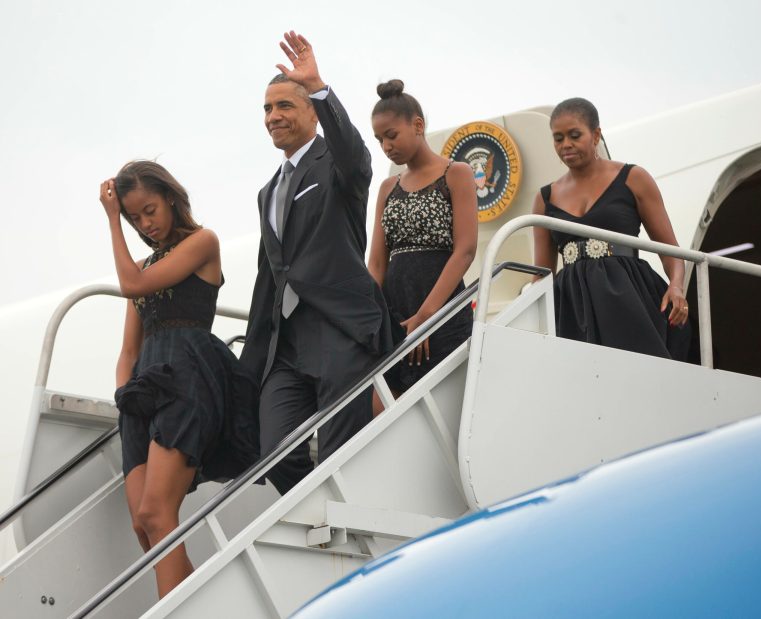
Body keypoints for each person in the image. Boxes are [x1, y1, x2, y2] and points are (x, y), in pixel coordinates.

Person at [240, 32, 394, 495]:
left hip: (339, 332)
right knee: (274, 454)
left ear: (311, 112)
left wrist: (319, 86)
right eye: (267, 109)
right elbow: (271, 276)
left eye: (284, 105)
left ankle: (334, 520)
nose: (273, 117)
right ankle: (318, 506)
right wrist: (254, 355)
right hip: (286, 345)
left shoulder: (337, 165)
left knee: (339, 450)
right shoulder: (268, 191)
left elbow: (354, 152)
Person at [99, 161, 259, 598]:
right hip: (142, 390)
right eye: (134, 217)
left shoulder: (202, 242)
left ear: (170, 197)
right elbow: (129, 349)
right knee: (143, 524)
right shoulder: (143, 264)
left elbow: (132, 285)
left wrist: (111, 219)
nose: (144, 223)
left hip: (187, 372)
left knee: (157, 511)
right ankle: (200, 602)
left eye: (148, 210)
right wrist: (122, 395)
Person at [533, 97, 690, 359]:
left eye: (574, 135)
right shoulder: (544, 198)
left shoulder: (634, 178)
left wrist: (676, 287)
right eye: (558, 138)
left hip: (628, 294)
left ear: (596, 135)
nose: (566, 145)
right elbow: (541, 274)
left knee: (642, 368)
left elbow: (670, 251)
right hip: (572, 304)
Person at [368, 80, 477, 413]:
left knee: (440, 412)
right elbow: (376, 264)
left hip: (441, 313)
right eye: (379, 140)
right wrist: (371, 321)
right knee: (383, 411)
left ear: (418, 125)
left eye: (391, 135)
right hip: (396, 316)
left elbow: (466, 250)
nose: (386, 146)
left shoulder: (456, 173)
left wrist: (427, 316)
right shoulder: (388, 187)